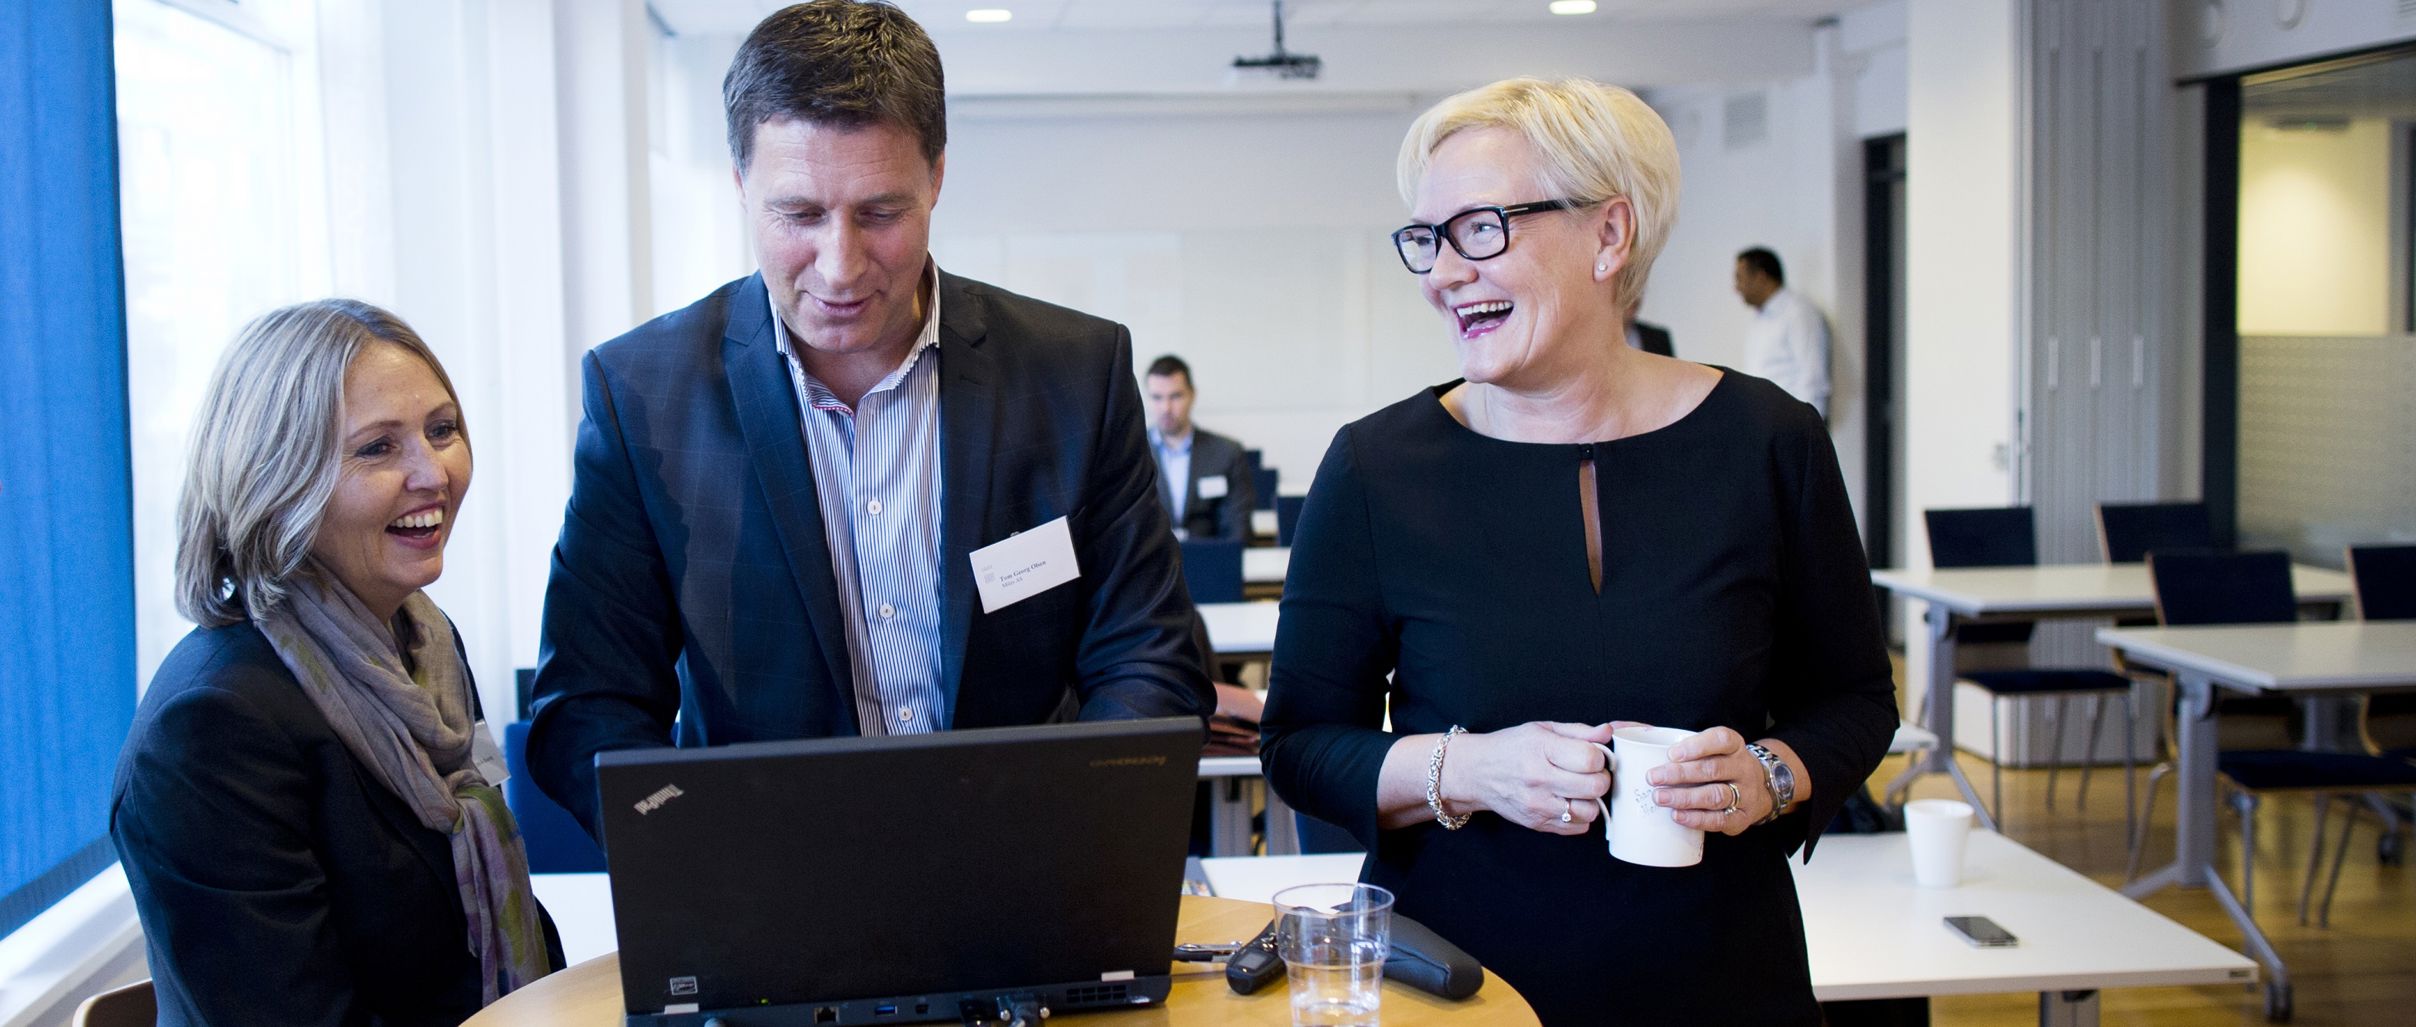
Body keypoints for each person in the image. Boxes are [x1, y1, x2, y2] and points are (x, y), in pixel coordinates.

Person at [1260, 78, 1896, 1025]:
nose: (1442, 272)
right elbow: (1302, 745)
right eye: (1428, 239)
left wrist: (1766, 776)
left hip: (1721, 977)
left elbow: (1853, 700)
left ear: (1610, 235)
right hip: (1460, 984)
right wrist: (1470, 769)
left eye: (1481, 228)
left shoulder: (1771, 440)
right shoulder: (1377, 467)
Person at [526, 0, 1211, 838]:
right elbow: (589, 707)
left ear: (937, 179)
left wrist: (1069, 833)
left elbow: (1149, 658)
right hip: (765, 883)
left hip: (1029, 863)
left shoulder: (1073, 373)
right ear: (741, 184)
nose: (840, 266)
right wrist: (702, 864)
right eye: (799, 215)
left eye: (881, 213)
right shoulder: (643, 396)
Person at [111, 299, 561, 1026]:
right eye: (378, 448)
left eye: (441, 430)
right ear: (277, 480)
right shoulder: (210, 730)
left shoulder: (424, 642)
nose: (433, 472)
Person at [1143, 354, 1258, 540]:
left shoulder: (1227, 453)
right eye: (1157, 397)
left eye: (1176, 396)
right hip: (1153, 565)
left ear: (1192, 395)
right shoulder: (1131, 455)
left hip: (1212, 561)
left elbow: (1239, 528)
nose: (1166, 407)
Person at [1735, 245, 1832, 417]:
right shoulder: (1760, 318)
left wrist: (1807, 430)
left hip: (1790, 424)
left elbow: (1813, 377)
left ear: (1760, 277)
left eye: (1739, 278)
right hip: (1764, 422)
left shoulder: (1798, 312)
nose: (1737, 287)